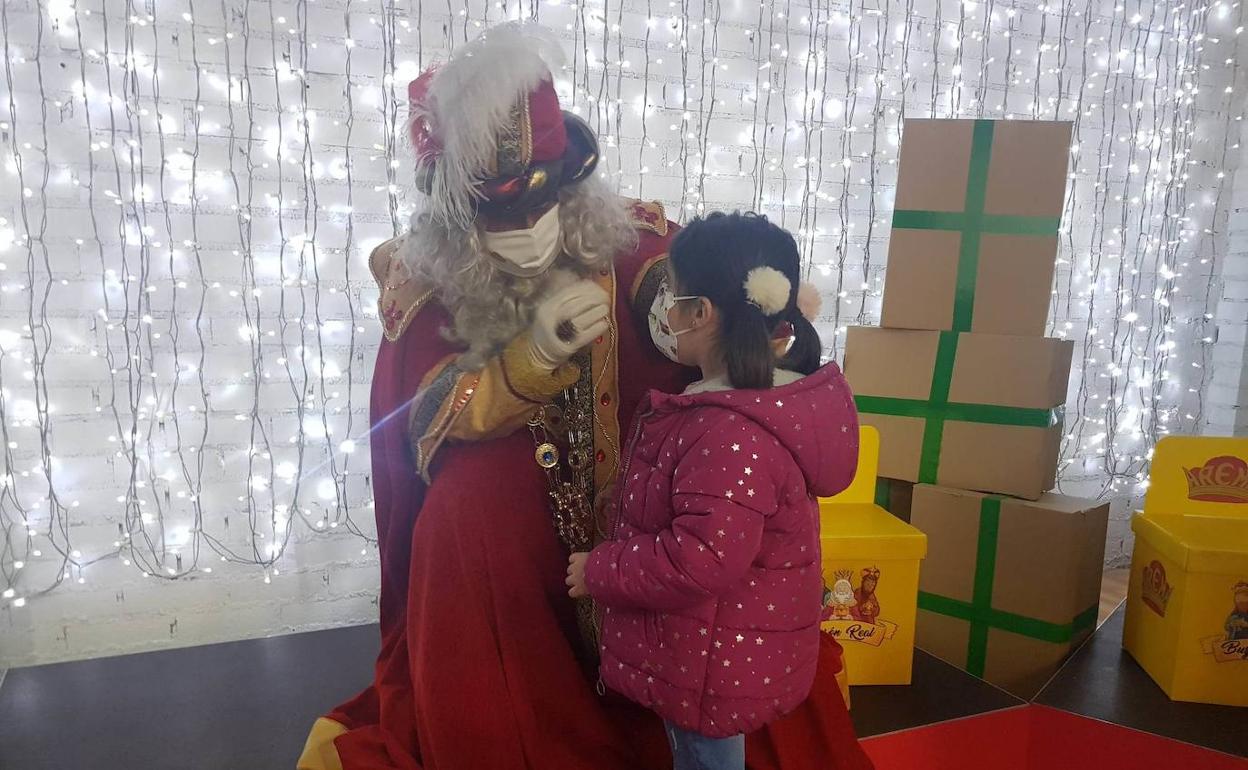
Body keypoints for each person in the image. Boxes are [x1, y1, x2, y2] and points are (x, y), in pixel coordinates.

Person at [299, 22, 872, 770]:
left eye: (545, 196)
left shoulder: (618, 232)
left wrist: (734, 311)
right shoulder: (424, 281)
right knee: (462, 516)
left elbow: (671, 279)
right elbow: (418, 420)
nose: (529, 225)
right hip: (514, 541)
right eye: (500, 210)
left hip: (650, 504)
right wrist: (523, 364)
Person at [566, 212, 866, 770]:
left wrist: (599, 571)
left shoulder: (730, 431)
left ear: (700, 313)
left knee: (707, 760)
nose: (665, 310)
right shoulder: (759, 406)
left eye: (672, 296)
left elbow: (701, 557)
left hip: (711, 665)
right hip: (722, 650)